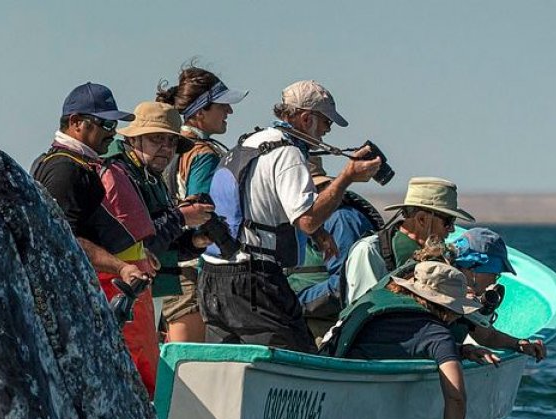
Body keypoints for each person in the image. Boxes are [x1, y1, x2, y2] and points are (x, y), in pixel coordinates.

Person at [198, 80, 381, 352]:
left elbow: (262, 203)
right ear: (306, 119)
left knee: (228, 367)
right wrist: (347, 177)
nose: (325, 134)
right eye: (325, 125)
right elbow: (306, 219)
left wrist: (319, 234)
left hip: (213, 277)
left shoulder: (249, 142)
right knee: (301, 365)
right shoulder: (287, 153)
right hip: (254, 279)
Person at [30, 82, 160, 397]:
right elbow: (65, 238)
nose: (111, 133)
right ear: (76, 122)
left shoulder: (68, 164)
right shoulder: (66, 171)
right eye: (104, 125)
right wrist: (121, 267)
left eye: (114, 125)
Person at [325, 261, 485, 419]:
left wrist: (460, 350)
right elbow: (456, 396)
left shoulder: (377, 302)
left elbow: (397, 341)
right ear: (448, 307)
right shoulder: (437, 334)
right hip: (359, 413)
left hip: (330, 396)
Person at [102, 101, 214, 350]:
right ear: (134, 140)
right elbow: (139, 241)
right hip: (119, 290)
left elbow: (157, 245)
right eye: (156, 139)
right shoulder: (120, 173)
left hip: (141, 291)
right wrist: (181, 218)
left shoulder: (149, 176)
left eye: (172, 142)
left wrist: (194, 243)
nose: (166, 148)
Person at [156, 66, 248, 342]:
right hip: (191, 272)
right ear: (199, 113)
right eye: (222, 106)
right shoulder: (204, 154)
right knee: (188, 364)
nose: (228, 112)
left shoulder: (165, 148)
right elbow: (201, 210)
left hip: (166, 264)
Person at [287, 153, 385, 344]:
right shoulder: (313, 221)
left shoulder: (341, 220)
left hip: (326, 328)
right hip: (303, 320)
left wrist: (293, 302)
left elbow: (343, 284)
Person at [343, 177, 475, 305]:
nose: (451, 229)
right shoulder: (369, 251)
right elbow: (363, 311)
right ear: (422, 219)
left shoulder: (440, 257)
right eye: (448, 221)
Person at [449, 228, 547, 361]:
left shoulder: (461, 295)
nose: (495, 280)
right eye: (495, 274)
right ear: (474, 270)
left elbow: (487, 336)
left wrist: (518, 344)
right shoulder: (441, 289)